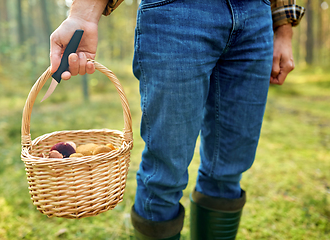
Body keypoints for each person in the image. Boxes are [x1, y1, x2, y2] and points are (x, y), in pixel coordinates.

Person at [50, 0, 305, 239]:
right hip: (176, 13)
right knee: (164, 176)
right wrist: (83, 14)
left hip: (255, 16)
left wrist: (283, 27)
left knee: (229, 170)